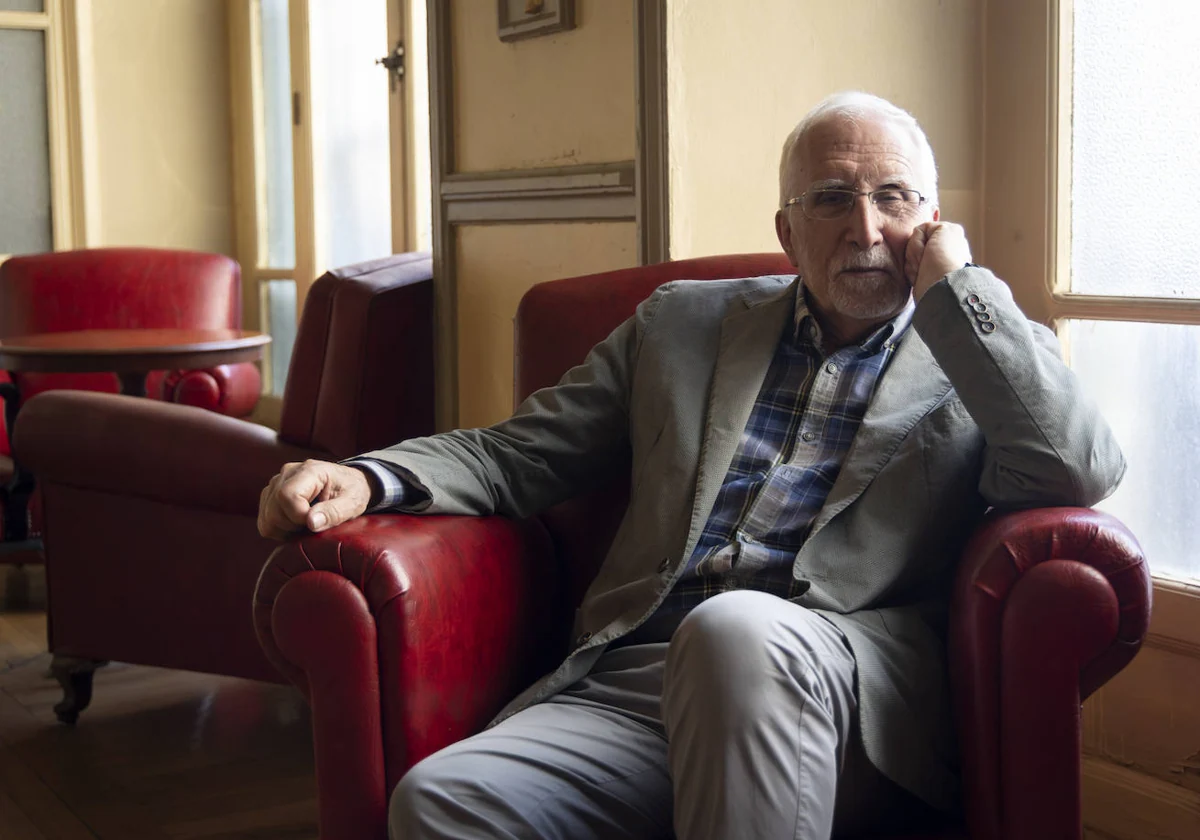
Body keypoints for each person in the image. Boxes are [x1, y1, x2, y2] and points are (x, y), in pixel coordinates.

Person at [257, 92, 1125, 839]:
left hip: (846, 694)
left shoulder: (980, 350)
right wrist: (368, 479)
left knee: (736, 630)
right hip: (642, 678)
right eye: (832, 199)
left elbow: (1077, 466)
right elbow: (518, 452)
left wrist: (957, 289)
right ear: (787, 230)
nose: (867, 228)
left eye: (893, 197)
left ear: (932, 218)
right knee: (446, 803)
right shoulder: (679, 325)